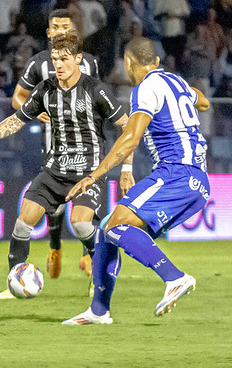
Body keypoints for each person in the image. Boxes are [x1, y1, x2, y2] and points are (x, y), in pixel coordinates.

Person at [0, 32, 132, 300]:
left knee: (80, 224)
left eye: (64, 59)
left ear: (78, 59)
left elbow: (128, 128)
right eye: (55, 58)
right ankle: (14, 281)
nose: (58, 64)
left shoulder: (96, 90)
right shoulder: (45, 90)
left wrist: (126, 169)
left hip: (87, 172)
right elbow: (17, 119)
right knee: (23, 222)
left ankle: (102, 266)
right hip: (54, 171)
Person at [62, 37, 210, 325]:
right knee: (108, 230)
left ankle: (175, 278)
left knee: (115, 224)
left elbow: (130, 138)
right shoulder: (175, 82)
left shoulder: (145, 89)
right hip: (198, 180)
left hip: (175, 172)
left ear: (129, 63)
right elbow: (202, 101)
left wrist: (94, 176)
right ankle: (99, 310)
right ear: (155, 62)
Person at [11, 10, 100, 279]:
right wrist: (36, 112)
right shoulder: (38, 64)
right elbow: (18, 98)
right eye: (55, 27)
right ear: (48, 33)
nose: (60, 31)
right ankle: (55, 246)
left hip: (86, 148)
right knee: (56, 205)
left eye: (66, 27)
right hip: (54, 147)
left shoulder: (90, 63)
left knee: (85, 201)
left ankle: (89, 256)